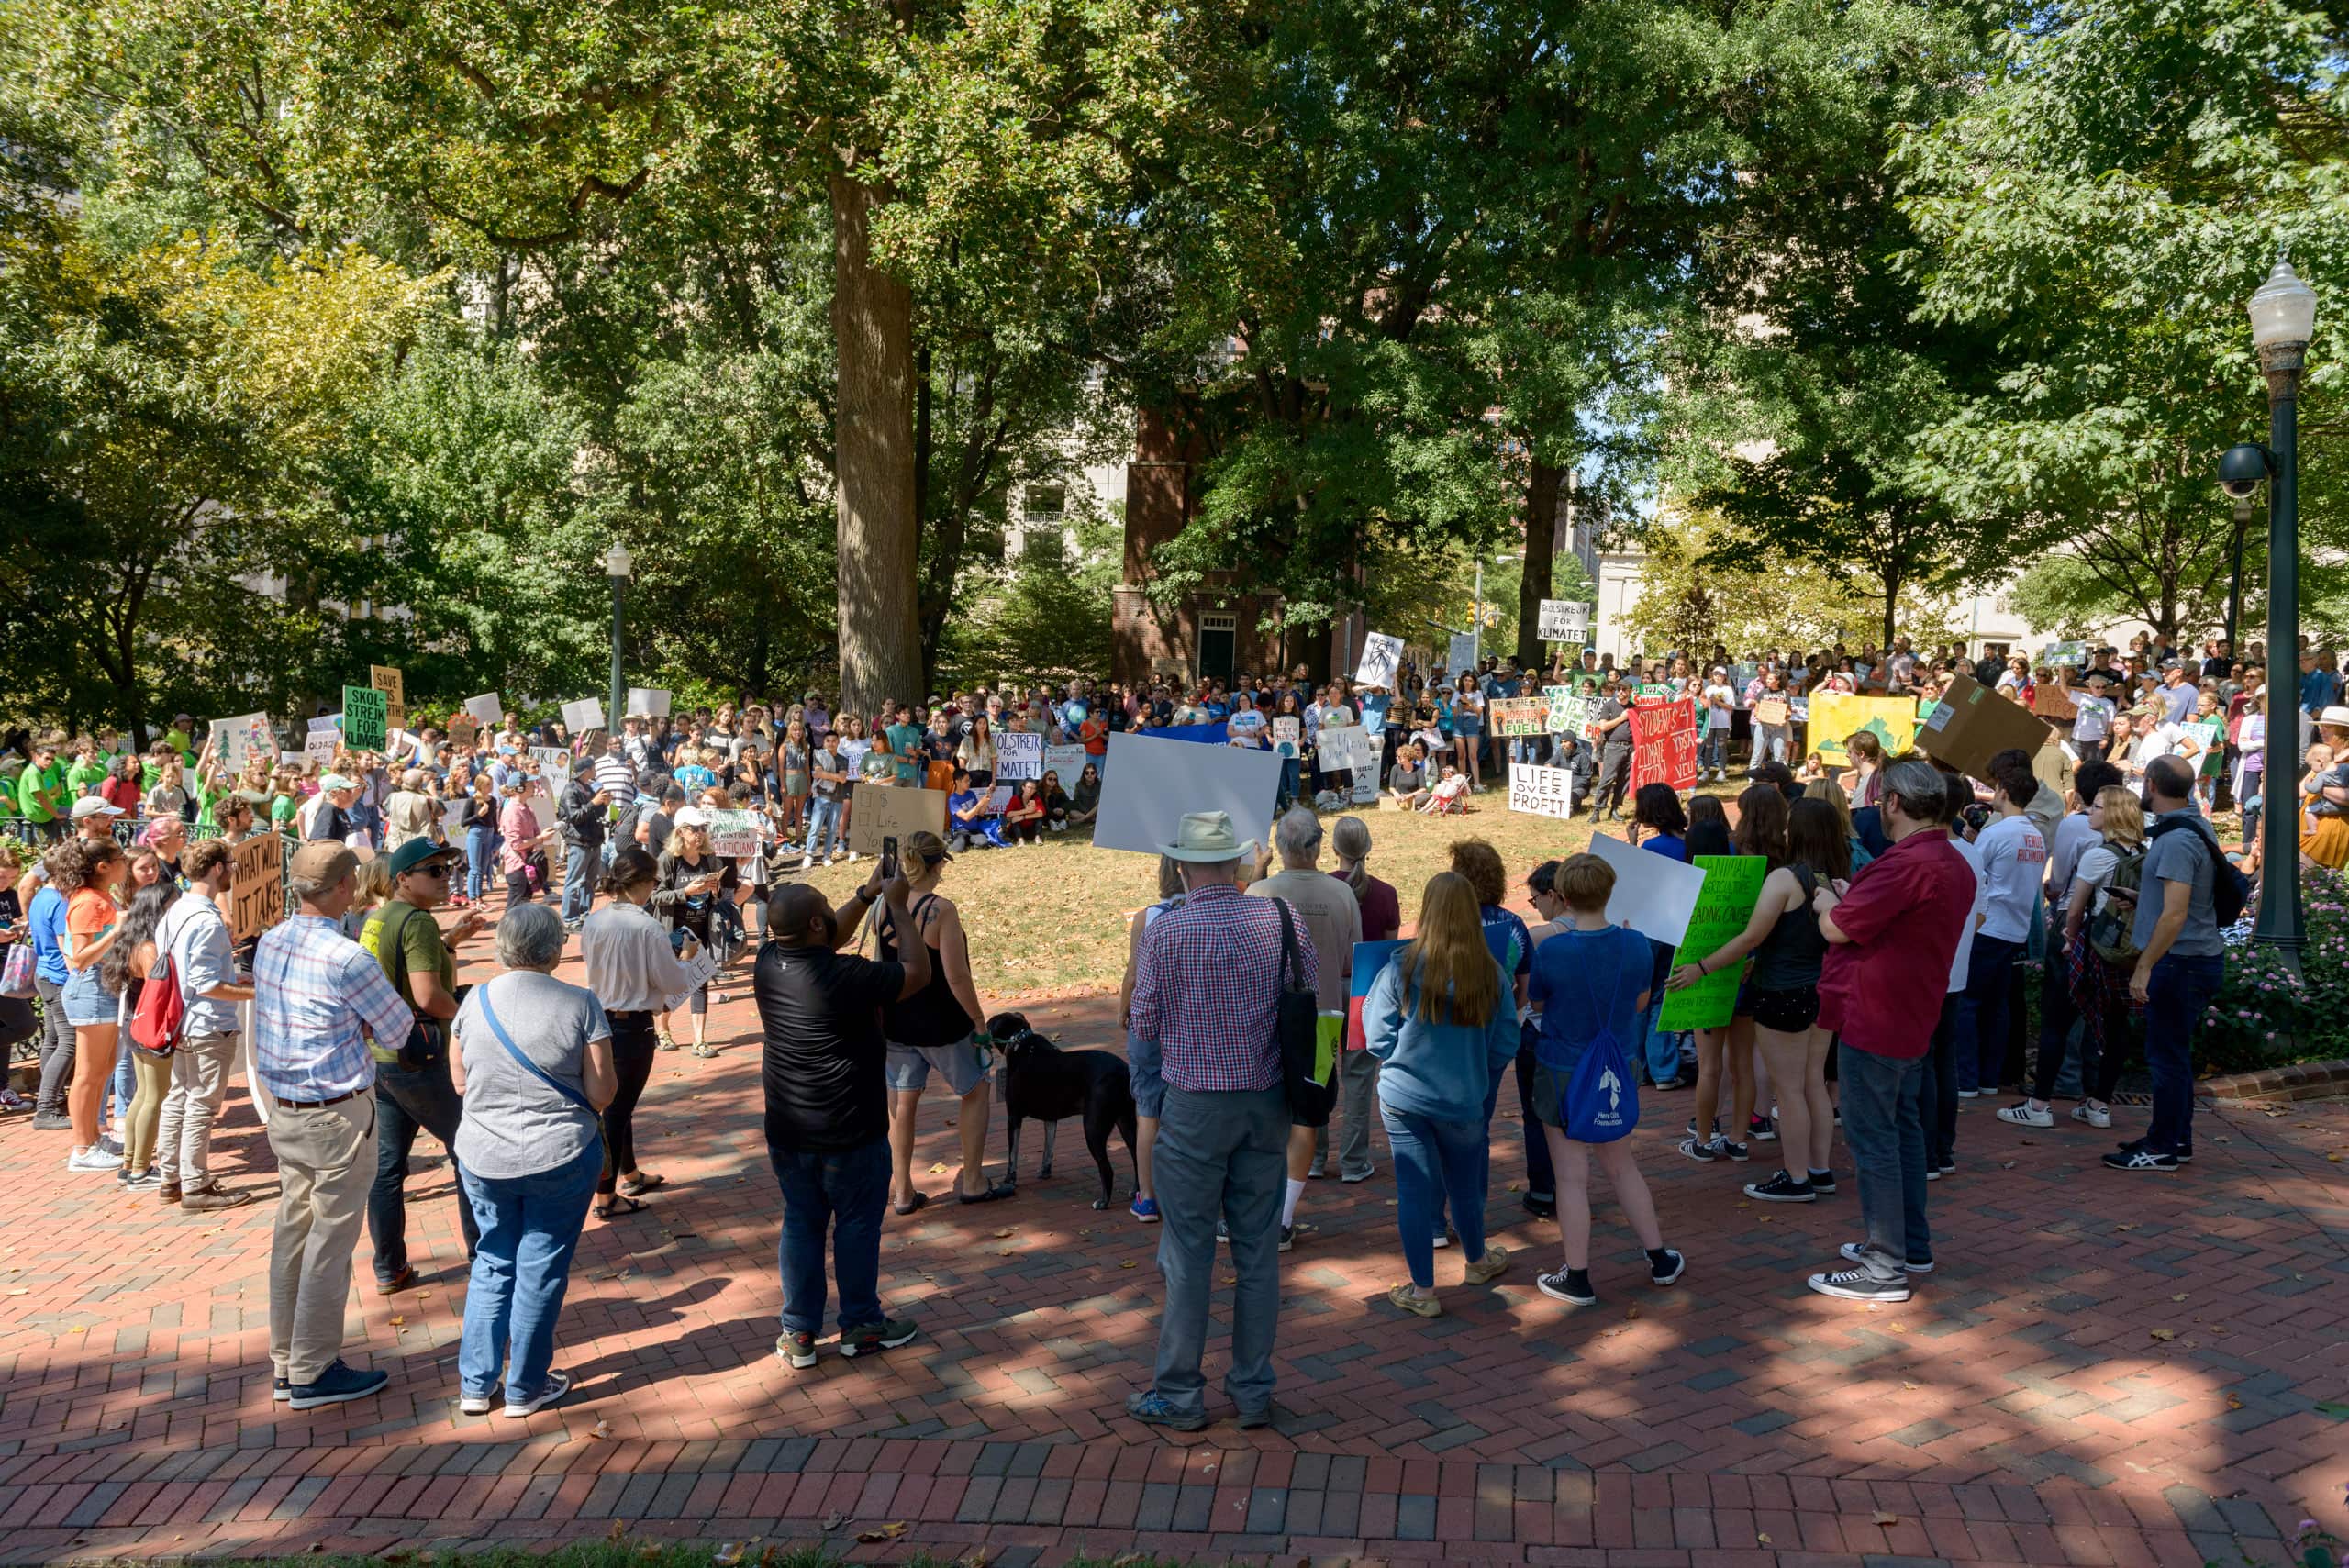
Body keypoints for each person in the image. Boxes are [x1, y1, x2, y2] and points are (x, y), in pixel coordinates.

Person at [1125, 811, 1311, 1431]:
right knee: (1258, 1249)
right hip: (1265, 1103)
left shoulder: (1166, 931)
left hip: (1194, 1106)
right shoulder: (1279, 917)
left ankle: (1179, 1392)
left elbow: (1144, 1025)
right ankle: (1253, 1389)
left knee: (1188, 1251)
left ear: (1182, 866)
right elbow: (1309, 999)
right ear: (1234, 863)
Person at [253, 842, 417, 1409]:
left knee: (293, 1232)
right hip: (336, 1111)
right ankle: (312, 1369)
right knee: (328, 1241)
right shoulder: (348, 957)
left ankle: (287, 1360)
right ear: (346, 886)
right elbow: (397, 1030)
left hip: (286, 1108)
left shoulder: (271, 941)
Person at [1806, 759, 1976, 1300]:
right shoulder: (1953, 862)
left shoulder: (1904, 864)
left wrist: (1832, 901)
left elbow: (1836, 929)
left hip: (1876, 1015)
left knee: (1872, 1137)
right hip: (1913, 1012)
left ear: (1895, 803)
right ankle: (1908, 1244)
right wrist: (1852, 897)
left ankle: (1884, 1265)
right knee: (1901, 1131)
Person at [446, 901, 615, 1417]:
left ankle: (476, 1385)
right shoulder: (581, 1003)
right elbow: (603, 1090)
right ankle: (524, 1386)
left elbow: (460, 1082)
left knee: (493, 1261)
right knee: (540, 1267)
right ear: (556, 947)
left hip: (483, 1152)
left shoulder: (473, 1001)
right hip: (558, 1153)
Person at [757, 871, 931, 1366]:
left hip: (789, 1131)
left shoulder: (768, 962)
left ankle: (798, 1334)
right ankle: (861, 1324)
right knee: (856, 1227)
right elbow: (917, 974)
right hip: (851, 1130)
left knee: (802, 1224)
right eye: (826, 910)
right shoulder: (846, 977)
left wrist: (865, 894)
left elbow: (825, 934)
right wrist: (897, 905)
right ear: (816, 923)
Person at [1667, 797, 1849, 1202]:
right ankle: (1819, 1170)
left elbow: (1752, 936)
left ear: (1798, 830)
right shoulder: (1831, 879)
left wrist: (1702, 967)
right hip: (1821, 990)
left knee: (1789, 1089)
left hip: (1783, 992)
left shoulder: (1785, 878)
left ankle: (1797, 1177)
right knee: (1813, 1084)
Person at [1526, 852, 1685, 1306]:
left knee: (1571, 1177)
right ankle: (1659, 1258)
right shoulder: (1636, 944)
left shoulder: (1552, 950)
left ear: (1564, 896)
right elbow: (1639, 1005)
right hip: (1616, 1065)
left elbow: (1537, 1006)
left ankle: (1577, 1276)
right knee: (1622, 1166)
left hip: (1561, 1068)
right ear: (1609, 891)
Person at [1363, 871, 1516, 1318]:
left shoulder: (1401, 966)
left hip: (1403, 1097)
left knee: (1414, 1190)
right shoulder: (1491, 974)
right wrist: (1475, 1070)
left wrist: (1399, 1057)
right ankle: (1478, 1261)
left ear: (1426, 912)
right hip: (1464, 1099)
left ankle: (1423, 1291)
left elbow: (1376, 1039)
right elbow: (1507, 1041)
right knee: (1465, 1186)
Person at [360, 837, 491, 1293]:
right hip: (419, 1055)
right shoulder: (415, 921)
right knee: (470, 1150)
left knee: (387, 1167)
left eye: (447, 870)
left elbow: (395, 973)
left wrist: (450, 940)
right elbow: (427, 996)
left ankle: (389, 1267)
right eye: (433, 872)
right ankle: (486, 1254)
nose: (444, 879)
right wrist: (471, 1011)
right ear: (402, 879)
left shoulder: (380, 918)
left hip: (383, 1056)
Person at [2110, 755, 2230, 1171]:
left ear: (2154, 785)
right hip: (2192, 959)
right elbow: (2184, 901)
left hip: (2179, 963)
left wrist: (2144, 965)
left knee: (2166, 1057)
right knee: (2173, 1055)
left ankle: (2162, 1147)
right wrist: (2145, 903)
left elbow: (2177, 913)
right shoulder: (2195, 825)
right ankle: (2175, 1138)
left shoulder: (2176, 840)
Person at [1248, 809, 1363, 1242]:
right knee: (1307, 1113)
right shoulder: (1341, 893)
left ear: (1279, 848)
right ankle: (1284, 1217)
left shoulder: (1259, 891)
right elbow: (1354, 960)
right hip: (1324, 1019)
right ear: (1317, 847)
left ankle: (1260, 1204)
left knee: (1267, 1107)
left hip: (1269, 1016)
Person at [880, 831, 1009, 1210]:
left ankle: (902, 1191)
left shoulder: (882, 905)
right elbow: (957, 976)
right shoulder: (941, 910)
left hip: (897, 1019)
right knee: (975, 1091)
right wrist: (980, 1021)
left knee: (902, 1104)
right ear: (936, 864)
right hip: (942, 1022)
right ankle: (972, 1180)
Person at [579, 847, 698, 1218]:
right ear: (643, 882)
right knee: (616, 1112)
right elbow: (672, 979)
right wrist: (688, 955)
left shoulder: (594, 921)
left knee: (618, 1105)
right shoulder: (646, 926)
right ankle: (605, 1195)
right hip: (632, 1026)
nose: (653, 889)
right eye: (653, 883)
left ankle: (628, 1173)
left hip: (600, 1022)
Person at [148, 840, 257, 1209]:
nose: (233, 871)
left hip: (180, 1020)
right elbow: (207, 983)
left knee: (179, 1098)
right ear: (217, 868)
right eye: (232, 864)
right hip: (207, 1024)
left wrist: (231, 977)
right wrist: (254, 994)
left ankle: (170, 1178)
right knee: (202, 1105)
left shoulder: (174, 913)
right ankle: (195, 1183)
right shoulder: (207, 920)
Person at [1954, 762, 2047, 1098]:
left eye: (1995, 789)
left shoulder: (1997, 832)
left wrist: (1971, 841)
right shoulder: (2035, 835)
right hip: (2016, 928)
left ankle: (1965, 1078)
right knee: (1997, 1006)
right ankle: (1989, 1078)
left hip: (1988, 925)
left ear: (2004, 793)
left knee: (1968, 1002)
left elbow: (1971, 872)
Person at [1119, 857, 1188, 1223]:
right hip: (1189, 1023)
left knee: (1147, 1110)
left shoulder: (1148, 917)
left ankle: (1147, 1196)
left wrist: (1122, 1006)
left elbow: (1134, 971)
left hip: (1150, 1022)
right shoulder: (1201, 912)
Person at [58, 839, 129, 1173]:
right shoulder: (88, 901)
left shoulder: (103, 897)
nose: (125, 863)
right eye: (120, 859)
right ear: (103, 866)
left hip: (106, 989)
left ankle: (94, 1138)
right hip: (91, 989)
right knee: (88, 1074)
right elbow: (80, 958)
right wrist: (116, 932)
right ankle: (82, 1148)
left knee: (103, 1070)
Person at [651, 807, 746, 1057]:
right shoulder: (668, 860)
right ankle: (662, 1031)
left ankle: (699, 1040)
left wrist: (714, 890)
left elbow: (720, 897)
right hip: (673, 933)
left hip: (701, 931)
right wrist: (686, 892)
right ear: (681, 832)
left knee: (700, 982)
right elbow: (656, 896)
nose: (700, 834)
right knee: (669, 984)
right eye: (695, 829)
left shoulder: (710, 859)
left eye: (703, 829)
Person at [556, 758, 612, 930]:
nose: (595, 770)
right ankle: (569, 918)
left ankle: (584, 913)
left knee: (589, 881)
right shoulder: (570, 790)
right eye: (593, 768)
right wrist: (593, 802)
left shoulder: (588, 787)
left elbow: (593, 814)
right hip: (579, 841)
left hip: (593, 840)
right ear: (586, 770)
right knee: (574, 881)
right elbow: (575, 817)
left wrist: (604, 805)